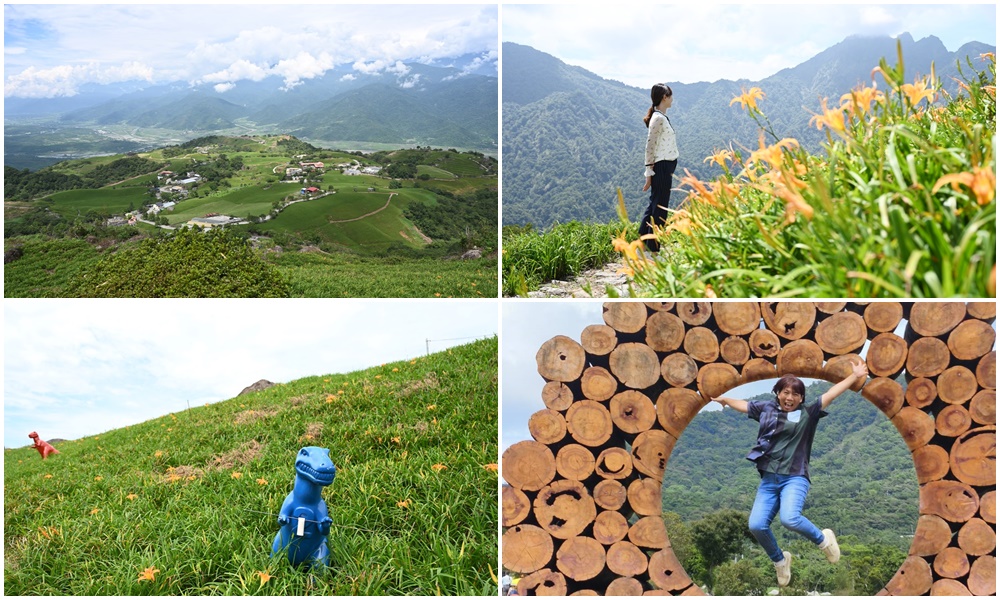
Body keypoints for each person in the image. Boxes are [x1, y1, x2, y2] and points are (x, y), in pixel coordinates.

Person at [707, 360, 868, 587]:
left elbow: (831, 393)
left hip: (795, 477)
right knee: (756, 525)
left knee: (789, 518)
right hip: (769, 480)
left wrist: (854, 376)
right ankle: (781, 560)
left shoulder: (808, 414)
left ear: (801, 398)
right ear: (778, 393)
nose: (789, 398)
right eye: (785, 392)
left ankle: (824, 540)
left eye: (795, 394)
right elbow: (743, 405)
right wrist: (725, 400)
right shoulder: (766, 409)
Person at [640, 83, 679, 252]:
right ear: (665, 97)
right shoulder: (658, 119)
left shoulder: (660, 117)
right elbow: (650, 146)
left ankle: (643, 241)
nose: (672, 99)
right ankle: (653, 248)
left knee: (655, 205)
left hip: (665, 165)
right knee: (660, 207)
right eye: (670, 96)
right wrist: (649, 172)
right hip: (662, 166)